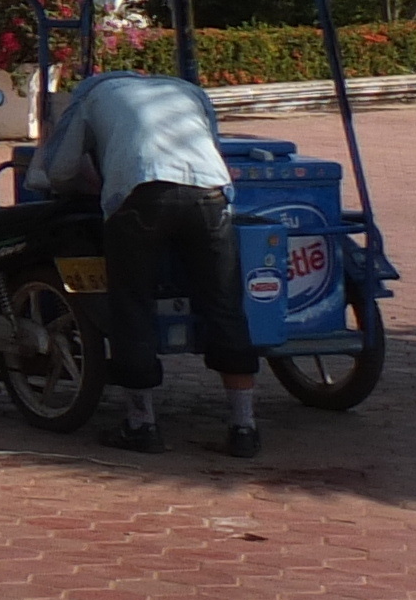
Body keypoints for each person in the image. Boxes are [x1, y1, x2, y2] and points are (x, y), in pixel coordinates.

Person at [31, 67, 261, 456]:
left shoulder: (90, 96)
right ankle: (244, 427)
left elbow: (59, 170)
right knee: (224, 303)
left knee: (132, 305)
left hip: (141, 196)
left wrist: (89, 183)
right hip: (210, 195)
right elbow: (211, 144)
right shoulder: (187, 89)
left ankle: (141, 424)